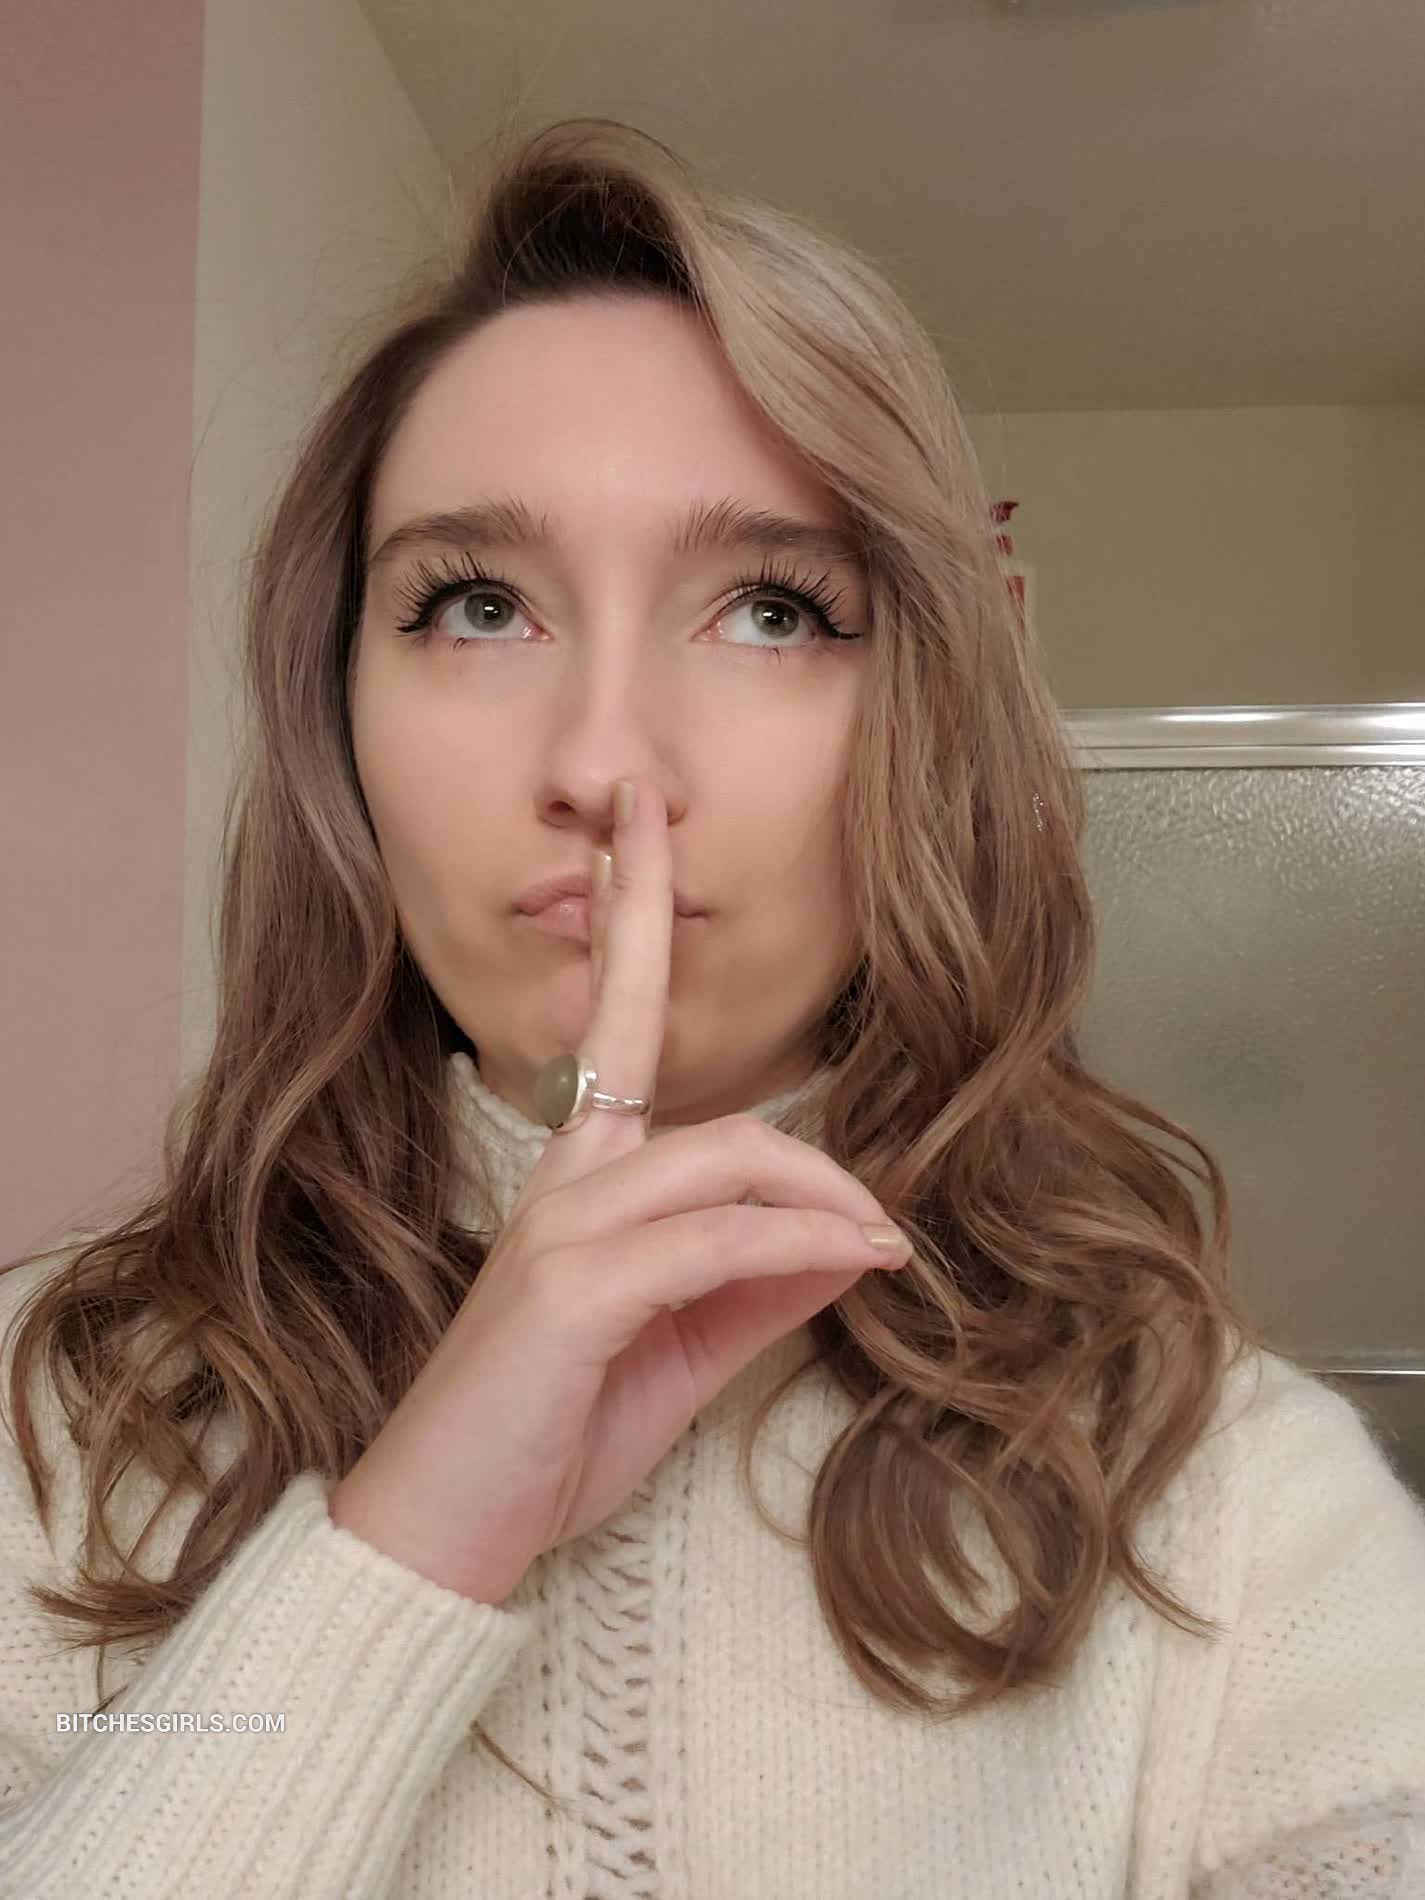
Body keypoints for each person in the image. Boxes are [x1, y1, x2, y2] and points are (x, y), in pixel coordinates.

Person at [2, 115, 1423, 1900]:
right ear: (334, 715)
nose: (607, 763)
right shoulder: (56, 1418)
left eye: (770, 611)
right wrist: (405, 1540)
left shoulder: (1217, 1490)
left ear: (929, 717)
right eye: (475, 605)